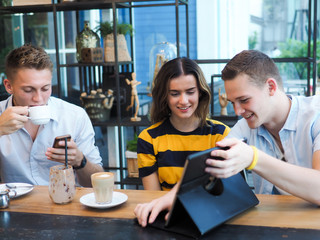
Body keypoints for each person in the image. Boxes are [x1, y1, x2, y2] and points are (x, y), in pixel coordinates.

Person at [134, 50, 320, 227]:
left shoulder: (315, 115)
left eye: (244, 100)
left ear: (271, 87)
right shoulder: (245, 128)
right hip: (267, 226)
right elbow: (206, 166)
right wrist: (170, 198)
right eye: (232, 103)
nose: (238, 111)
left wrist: (253, 158)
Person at [0, 44, 104, 187]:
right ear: (8, 86)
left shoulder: (74, 116)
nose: (39, 99)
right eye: (29, 90)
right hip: (14, 206)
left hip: (64, 205)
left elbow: (96, 183)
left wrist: (80, 161)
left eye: (45, 88)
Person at [137, 57, 230, 191]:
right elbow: (154, 197)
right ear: (164, 96)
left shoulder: (221, 135)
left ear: (200, 92)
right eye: (174, 94)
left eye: (190, 92)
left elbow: (228, 192)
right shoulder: (148, 139)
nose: (183, 101)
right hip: (167, 211)